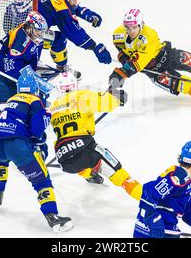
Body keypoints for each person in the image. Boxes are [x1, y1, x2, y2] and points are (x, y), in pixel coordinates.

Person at [0, 66, 73, 233]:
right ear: (35, 89)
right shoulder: (35, 100)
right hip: (16, 145)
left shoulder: (12, 100)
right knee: (42, 180)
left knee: (0, 159)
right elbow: (36, 131)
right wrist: (47, 117)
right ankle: (52, 216)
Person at [108, 9, 191, 110]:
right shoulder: (118, 34)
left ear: (142, 24)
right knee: (189, 86)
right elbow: (122, 51)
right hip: (155, 72)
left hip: (167, 56)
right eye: (128, 28)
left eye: (134, 27)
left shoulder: (149, 36)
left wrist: (121, 73)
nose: (131, 31)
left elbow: (138, 62)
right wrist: (123, 59)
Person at [48, 72, 142, 201]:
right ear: (75, 85)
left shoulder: (53, 107)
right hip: (85, 150)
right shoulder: (81, 96)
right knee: (123, 178)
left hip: (63, 157)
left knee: (79, 159)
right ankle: (149, 201)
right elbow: (105, 103)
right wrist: (116, 98)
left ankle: (89, 174)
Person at [133, 141, 191, 238]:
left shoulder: (187, 183)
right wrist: (153, 219)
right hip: (150, 231)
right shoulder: (177, 176)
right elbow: (148, 191)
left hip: (164, 232)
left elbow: (190, 211)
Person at [37, 0, 112, 76]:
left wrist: (87, 14)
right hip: (27, 32)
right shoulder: (61, 11)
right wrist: (94, 47)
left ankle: (61, 67)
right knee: (56, 39)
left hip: (20, 21)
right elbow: (74, 32)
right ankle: (32, 63)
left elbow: (71, 7)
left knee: (58, 38)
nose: (76, 2)